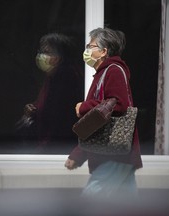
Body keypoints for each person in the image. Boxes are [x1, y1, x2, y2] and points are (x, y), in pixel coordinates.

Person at [64, 27, 143, 201]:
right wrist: (79, 155)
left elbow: (118, 104)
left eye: (90, 46)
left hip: (114, 156)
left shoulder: (113, 71)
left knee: (88, 203)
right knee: (128, 207)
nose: (87, 51)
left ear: (103, 51)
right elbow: (98, 120)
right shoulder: (102, 74)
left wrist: (84, 107)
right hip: (117, 155)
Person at [17, 32, 84, 154]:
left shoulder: (66, 77)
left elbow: (59, 116)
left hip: (60, 147)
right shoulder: (52, 77)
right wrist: (34, 109)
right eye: (41, 51)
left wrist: (44, 150)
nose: (41, 56)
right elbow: (46, 105)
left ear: (60, 57)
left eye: (47, 52)